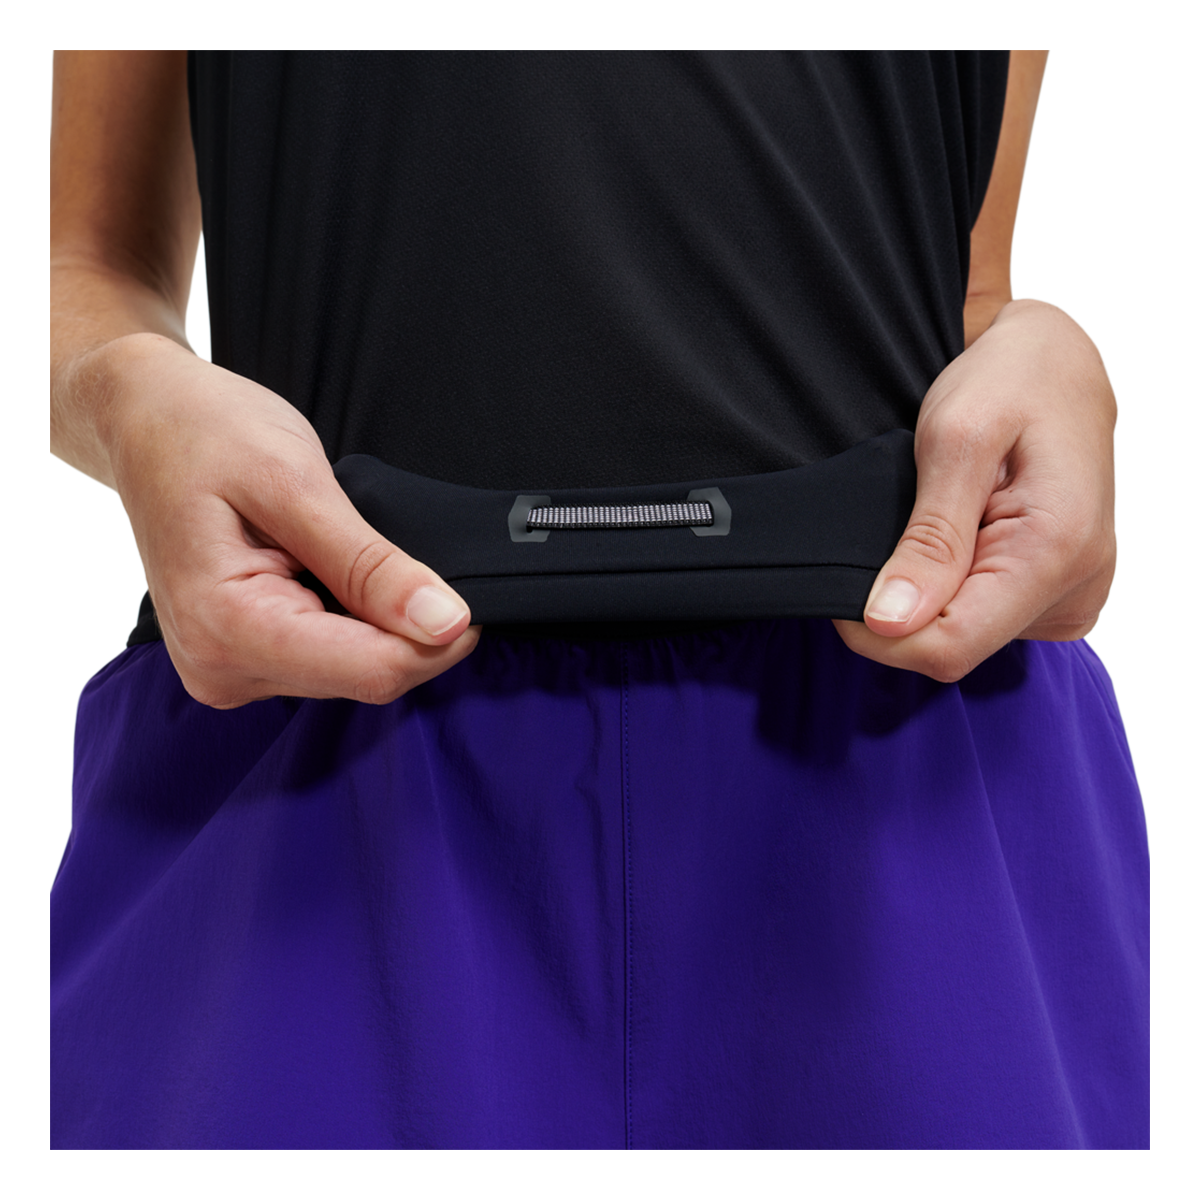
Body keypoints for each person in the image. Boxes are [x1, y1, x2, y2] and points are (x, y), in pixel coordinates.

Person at [50, 50, 1149, 1149]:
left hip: (913, 713)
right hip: (319, 714)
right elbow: (76, 262)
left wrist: (1046, 348)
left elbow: (963, 287)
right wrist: (120, 396)